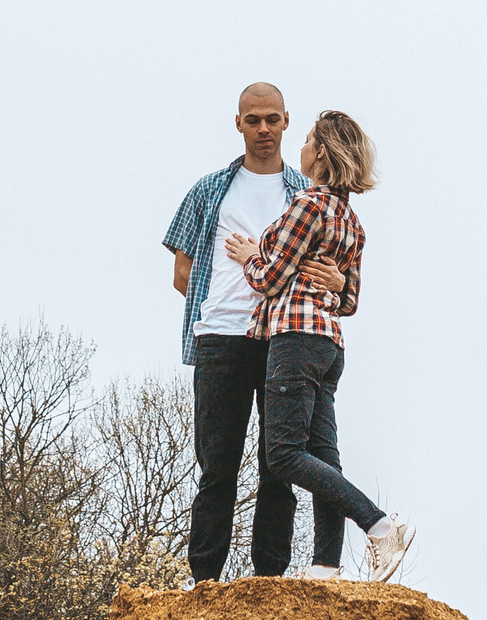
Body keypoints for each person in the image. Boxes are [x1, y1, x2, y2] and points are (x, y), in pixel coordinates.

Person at [163, 83, 354, 583]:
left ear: (287, 121)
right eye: (254, 120)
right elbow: (182, 269)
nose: (264, 129)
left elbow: (337, 268)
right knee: (217, 467)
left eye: (272, 119)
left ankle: (269, 581)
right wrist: (225, 302)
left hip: (283, 339)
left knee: (280, 468)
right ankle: (204, 582)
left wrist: (330, 283)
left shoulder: (306, 193)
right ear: (238, 123)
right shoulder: (209, 189)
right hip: (221, 339)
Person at [224, 110, 413, 584]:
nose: (302, 147)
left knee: (283, 454)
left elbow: (269, 278)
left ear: (322, 153)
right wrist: (331, 279)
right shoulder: (352, 221)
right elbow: (348, 300)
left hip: (295, 336)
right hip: (329, 344)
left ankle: (379, 524)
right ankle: (326, 565)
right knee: (324, 456)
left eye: (308, 139)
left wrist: (251, 256)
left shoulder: (308, 207)